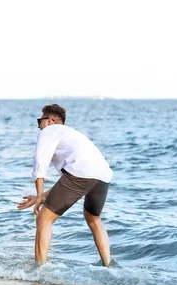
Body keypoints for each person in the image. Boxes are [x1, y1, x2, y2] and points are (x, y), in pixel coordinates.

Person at [17, 104, 114, 266]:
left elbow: (40, 161)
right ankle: (108, 264)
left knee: (44, 219)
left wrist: (40, 195)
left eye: (39, 121)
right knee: (93, 218)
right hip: (103, 175)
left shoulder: (48, 131)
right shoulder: (71, 134)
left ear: (49, 121)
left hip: (82, 173)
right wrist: (40, 196)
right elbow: (68, 181)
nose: (39, 126)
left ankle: (39, 269)